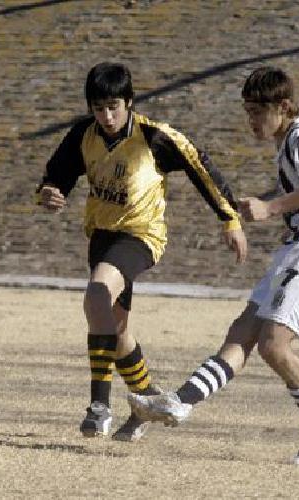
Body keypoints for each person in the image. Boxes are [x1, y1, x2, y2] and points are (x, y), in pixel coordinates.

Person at [127, 66, 299, 465]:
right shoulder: (296, 140)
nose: (252, 120)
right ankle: (181, 402)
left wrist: (272, 207)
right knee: (243, 331)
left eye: (258, 111)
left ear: (285, 107)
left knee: (274, 346)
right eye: (248, 111)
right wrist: (272, 198)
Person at [36, 62, 248, 442]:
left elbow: (201, 168)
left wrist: (229, 219)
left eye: (114, 107)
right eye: (98, 108)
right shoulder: (84, 135)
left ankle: (99, 406)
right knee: (115, 331)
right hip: (101, 236)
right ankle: (146, 400)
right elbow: (57, 175)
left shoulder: (155, 137)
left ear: (130, 102)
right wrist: (50, 192)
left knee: (96, 294)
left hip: (141, 235)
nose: (107, 116)